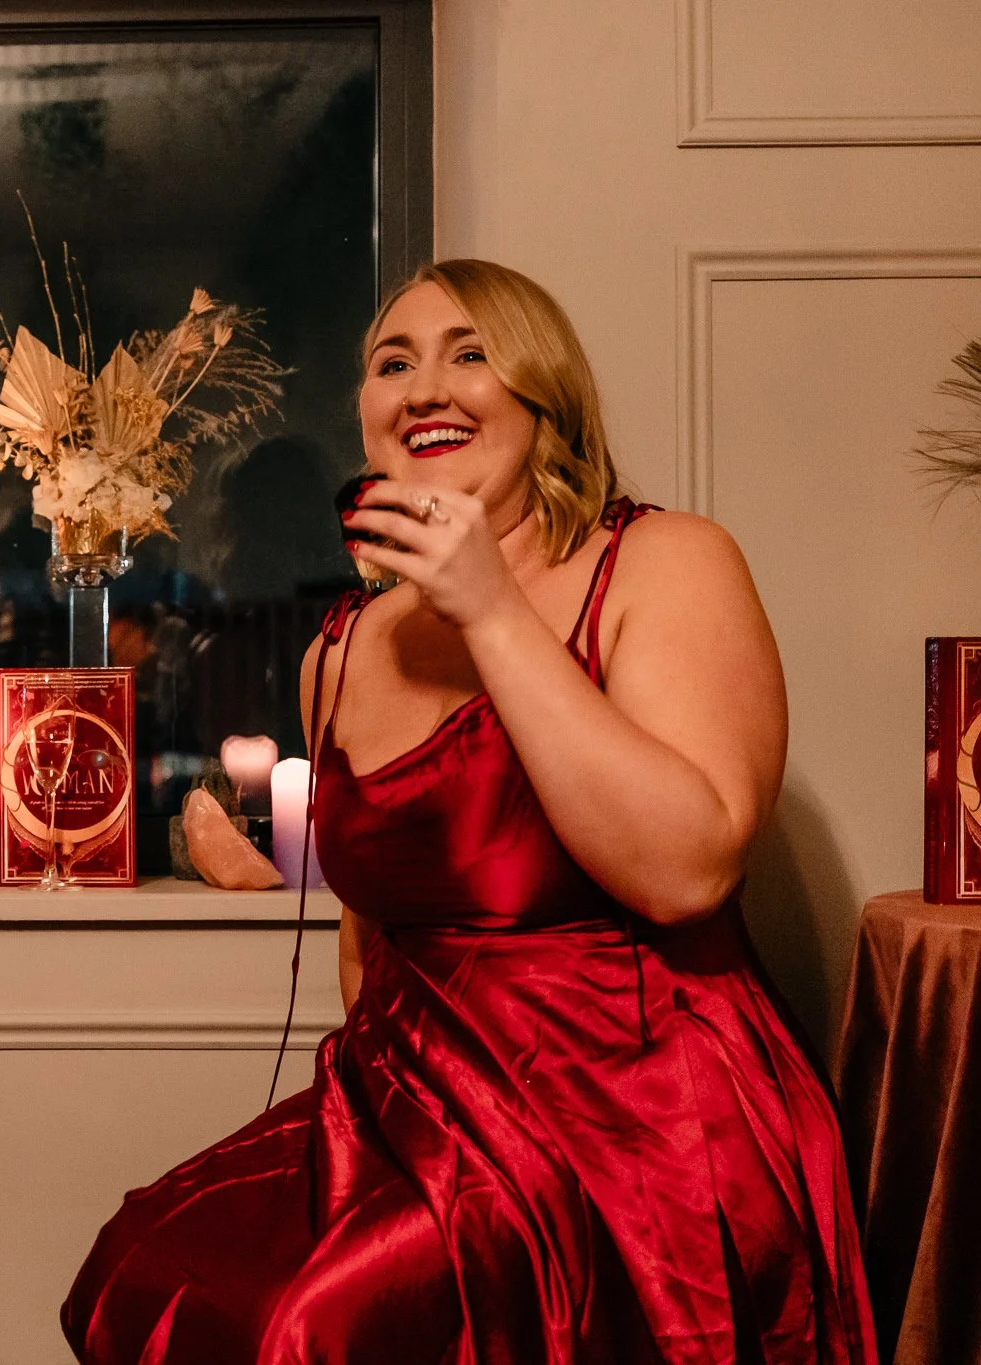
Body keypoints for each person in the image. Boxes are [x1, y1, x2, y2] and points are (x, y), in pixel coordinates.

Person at [61, 260, 874, 1364]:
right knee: (144, 1262)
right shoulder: (340, 652)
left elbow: (685, 873)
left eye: (469, 353)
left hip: (636, 1117)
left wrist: (490, 608)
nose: (421, 387)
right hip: (411, 1100)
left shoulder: (663, 564)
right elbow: (370, 933)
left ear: (545, 395)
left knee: (308, 1328)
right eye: (391, 363)